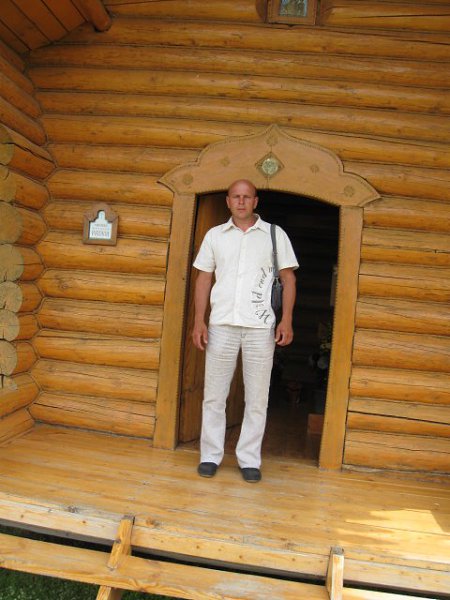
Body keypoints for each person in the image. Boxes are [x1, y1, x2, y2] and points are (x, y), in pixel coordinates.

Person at [192, 179, 298, 483]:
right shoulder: (215, 236)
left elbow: (288, 279)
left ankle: (249, 459)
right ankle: (210, 456)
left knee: (257, 398)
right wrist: (199, 320)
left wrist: (286, 319)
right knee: (214, 396)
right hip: (221, 325)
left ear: (255, 201)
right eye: (236, 197)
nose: (241, 202)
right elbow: (203, 279)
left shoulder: (274, 235)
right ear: (228, 201)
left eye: (246, 197)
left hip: (260, 327)